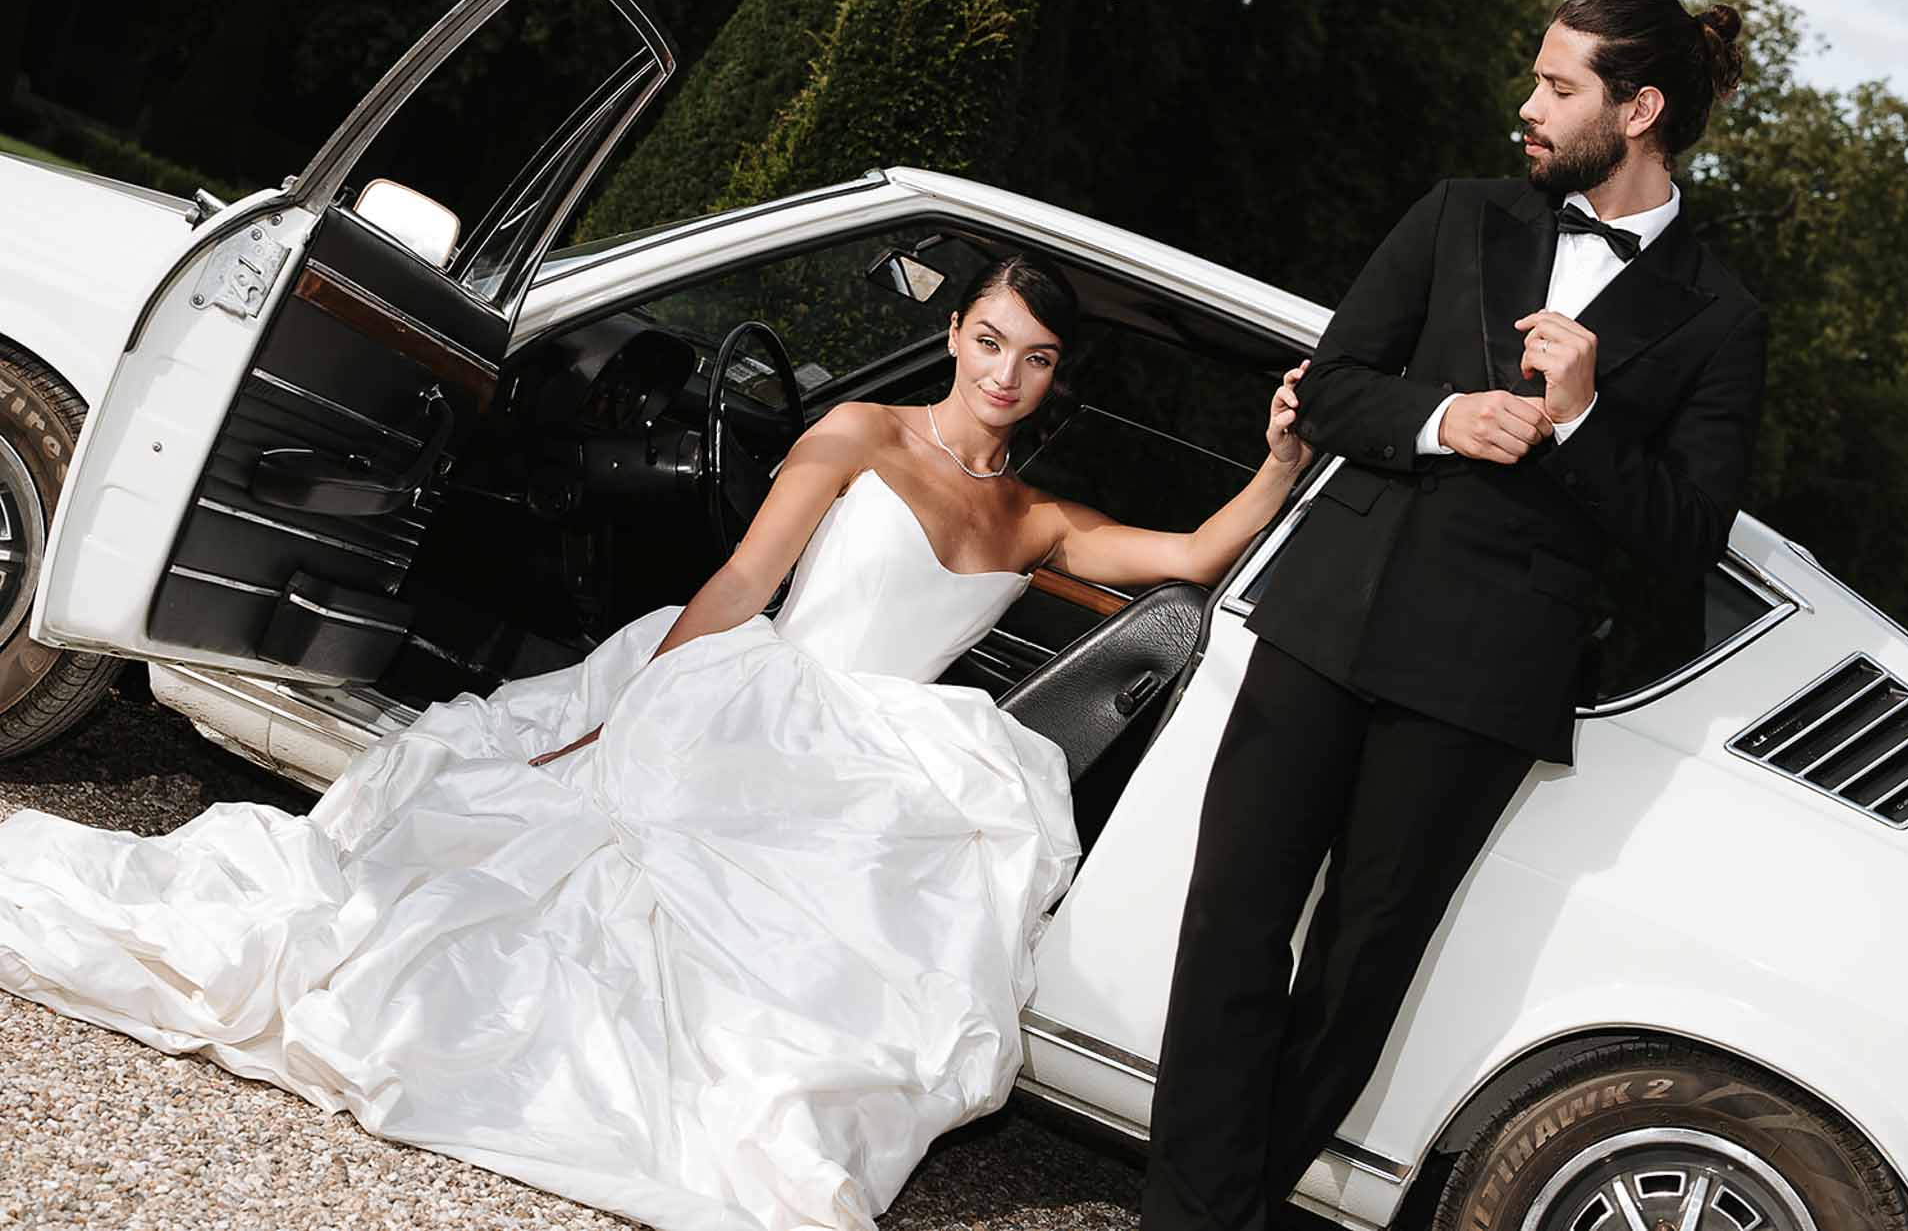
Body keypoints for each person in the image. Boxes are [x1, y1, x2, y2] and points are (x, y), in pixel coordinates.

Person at [0, 252, 1311, 1231]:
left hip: (881, 746)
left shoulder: (1033, 516)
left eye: (1031, 358)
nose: (1003, 373)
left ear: (1052, 380)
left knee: (850, 924)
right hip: (762, 689)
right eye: (987, 339)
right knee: (586, 867)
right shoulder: (859, 434)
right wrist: (627, 712)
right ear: (957, 332)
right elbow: (745, 580)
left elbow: (1194, 556)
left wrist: (1280, 458)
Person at [1142, 0, 1767, 1231]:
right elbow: (1330, 392)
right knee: (1228, 933)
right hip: (1329, 625)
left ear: (1636, 109)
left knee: (1353, 980)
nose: (1523, 107)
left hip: (1479, 685)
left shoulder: (1719, 316)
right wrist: (1441, 419)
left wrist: (1582, 421)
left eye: (1555, 87)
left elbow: (1688, 536)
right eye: (1533, 79)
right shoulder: (1457, 215)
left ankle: (1208, 1214)